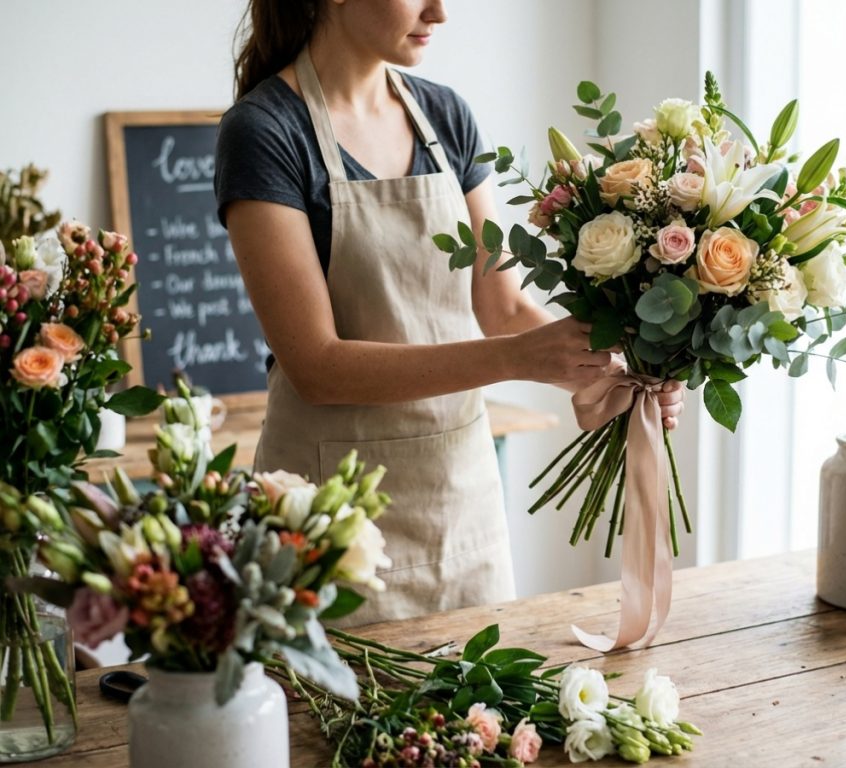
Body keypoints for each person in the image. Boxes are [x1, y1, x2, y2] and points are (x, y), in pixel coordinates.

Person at [215, 0, 683, 624]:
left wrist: (616, 375)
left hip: (462, 515)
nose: (439, 12)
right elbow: (315, 367)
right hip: (326, 521)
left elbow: (504, 306)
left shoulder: (446, 115)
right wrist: (515, 360)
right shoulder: (265, 131)